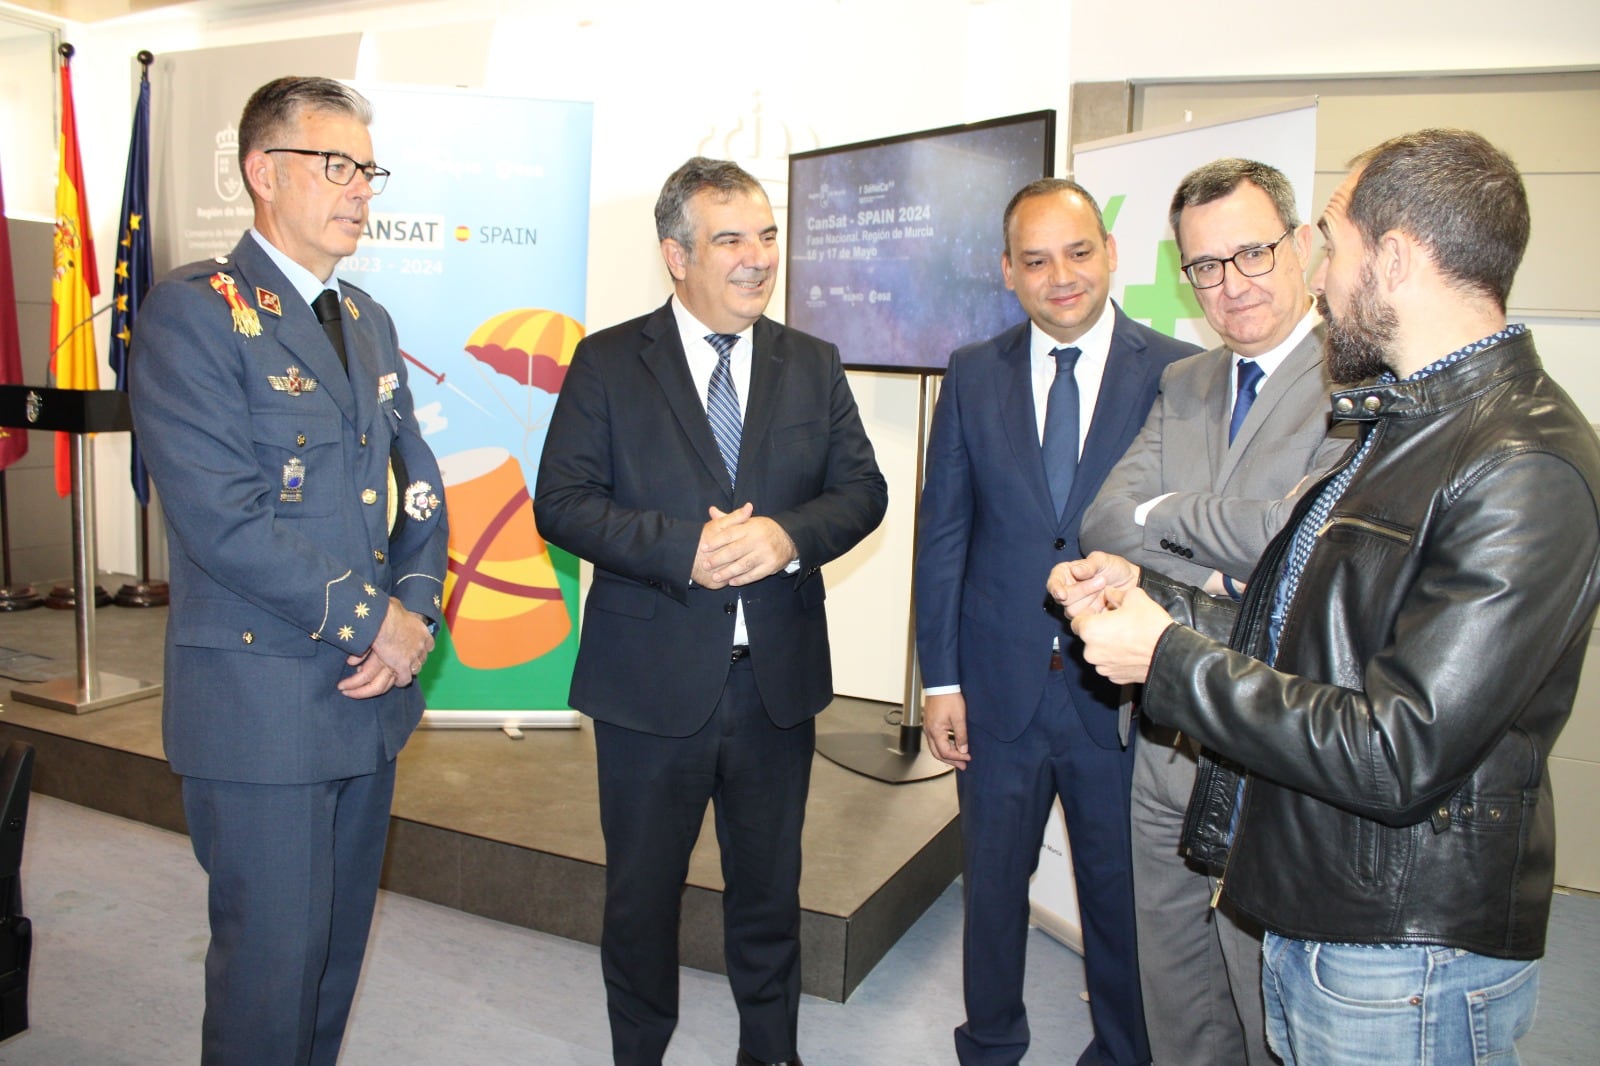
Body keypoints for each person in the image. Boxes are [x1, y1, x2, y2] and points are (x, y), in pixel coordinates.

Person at [1050, 128, 1600, 1065]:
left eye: (1328, 245)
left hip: (1401, 932)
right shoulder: (1414, 423)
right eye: (1205, 266)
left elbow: (1398, 748)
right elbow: (1292, 594)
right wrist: (1178, 587)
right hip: (1324, 862)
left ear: (1392, 257)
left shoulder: (1518, 461)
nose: (1315, 270)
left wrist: (1167, 650)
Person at [533, 156, 886, 1066]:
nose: (758, 258)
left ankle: (771, 1055)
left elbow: (862, 490)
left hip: (775, 686)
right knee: (641, 901)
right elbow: (562, 503)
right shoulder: (609, 361)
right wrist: (680, 547)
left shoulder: (811, 361)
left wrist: (786, 537)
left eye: (767, 235)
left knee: (770, 896)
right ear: (675, 256)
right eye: (731, 238)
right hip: (648, 687)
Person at [130, 76, 446, 1064]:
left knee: (330, 963)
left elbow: (418, 487)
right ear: (265, 173)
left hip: (367, 696)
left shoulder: (367, 319)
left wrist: (416, 609)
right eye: (336, 166)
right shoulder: (195, 314)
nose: (361, 189)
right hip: (264, 705)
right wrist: (374, 622)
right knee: (270, 976)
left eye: (367, 169)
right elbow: (223, 521)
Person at [914, 177, 1199, 1066]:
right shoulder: (971, 373)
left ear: (1111, 255)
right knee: (992, 891)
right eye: (1035, 260)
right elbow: (945, 531)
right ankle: (990, 1045)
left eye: (1079, 252)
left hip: (1117, 694)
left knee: (1121, 895)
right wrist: (942, 679)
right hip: (996, 690)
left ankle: (1123, 1052)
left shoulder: (1179, 374)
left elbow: (1187, 530)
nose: (1060, 276)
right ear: (1007, 271)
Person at [1079, 158, 1353, 1065]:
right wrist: (1218, 561)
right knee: (1177, 993)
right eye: (1204, 266)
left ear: (1304, 244)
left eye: (1252, 254)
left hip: (1272, 749)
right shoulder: (1188, 380)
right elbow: (1105, 517)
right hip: (1164, 739)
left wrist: (1164, 528)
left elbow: (1296, 537)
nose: (1229, 286)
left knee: (1262, 997)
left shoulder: (1357, 378)